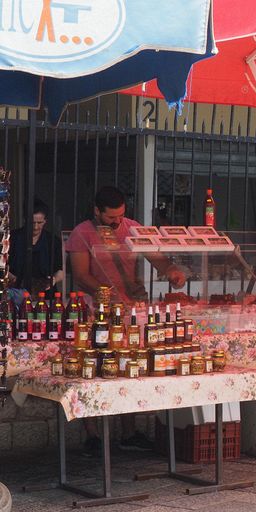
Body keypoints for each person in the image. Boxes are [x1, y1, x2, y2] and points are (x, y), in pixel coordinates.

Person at [65, 186, 187, 455]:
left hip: (131, 311)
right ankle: (92, 435)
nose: (117, 222)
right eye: (111, 217)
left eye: (121, 215)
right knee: (94, 368)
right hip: (96, 310)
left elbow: (156, 257)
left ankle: (129, 432)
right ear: (96, 211)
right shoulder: (81, 233)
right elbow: (81, 275)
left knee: (127, 365)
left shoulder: (132, 228)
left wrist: (172, 270)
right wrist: (107, 295)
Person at [7, 200, 64, 304]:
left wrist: (54, 280)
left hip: (46, 294)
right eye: (32, 223)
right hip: (16, 293)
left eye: (39, 223)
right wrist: (12, 278)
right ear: (25, 220)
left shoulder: (53, 241)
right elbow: (3, 265)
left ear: (45, 221)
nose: (36, 227)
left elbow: (60, 271)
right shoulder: (13, 238)